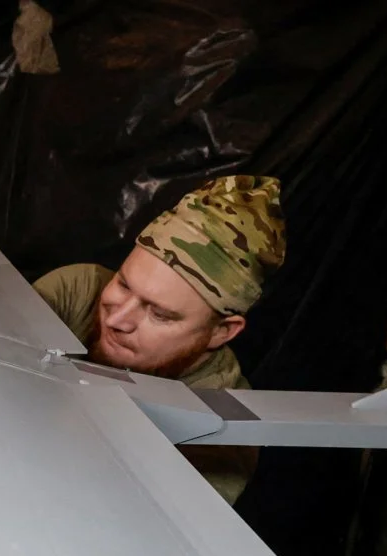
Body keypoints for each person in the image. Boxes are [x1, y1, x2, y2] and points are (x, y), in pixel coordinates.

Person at [32, 175, 286, 502]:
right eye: (123, 284)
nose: (117, 320)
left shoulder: (221, 429)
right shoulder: (79, 290)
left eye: (160, 314)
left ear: (221, 331)